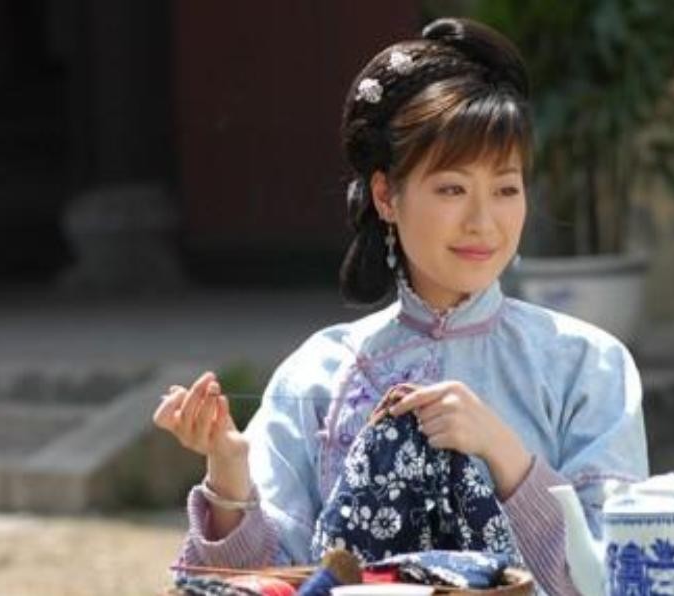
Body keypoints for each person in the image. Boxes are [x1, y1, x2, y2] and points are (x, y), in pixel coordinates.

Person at [154, 17, 648, 596]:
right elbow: (268, 583)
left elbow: (618, 576)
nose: (483, 221)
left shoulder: (587, 364)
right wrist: (228, 474)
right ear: (386, 194)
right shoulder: (320, 372)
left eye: (506, 189)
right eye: (452, 188)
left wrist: (504, 453)